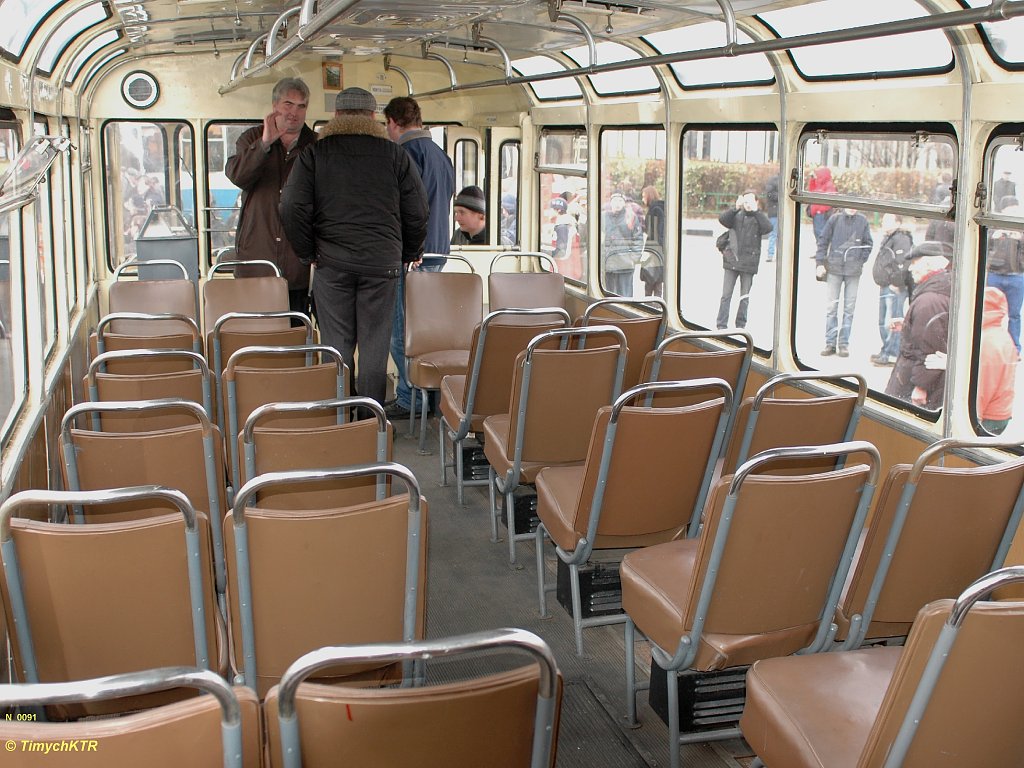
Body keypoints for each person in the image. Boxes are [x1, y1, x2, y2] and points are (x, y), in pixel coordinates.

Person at [280, 87, 429, 406]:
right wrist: (408, 253)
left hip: (332, 264)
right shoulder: (394, 154)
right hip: (382, 266)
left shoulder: (315, 153)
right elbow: (417, 209)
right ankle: (371, 423)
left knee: (337, 346)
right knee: (375, 349)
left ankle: (340, 417)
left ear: (336, 116)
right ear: (373, 117)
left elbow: (291, 205)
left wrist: (308, 253)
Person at [383, 96, 456, 420]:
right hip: (438, 250)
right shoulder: (440, 155)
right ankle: (430, 395)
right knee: (429, 331)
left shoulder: (403, 154)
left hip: (411, 254)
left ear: (393, 123)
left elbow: (403, 205)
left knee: (400, 330)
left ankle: (410, 398)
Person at [225, 77, 317, 316]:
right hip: (257, 258)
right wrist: (265, 143)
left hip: (298, 263)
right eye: (288, 104)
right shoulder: (251, 139)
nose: (294, 112)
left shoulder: (316, 147)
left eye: (301, 106)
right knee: (256, 334)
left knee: (296, 334)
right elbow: (238, 175)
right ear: (275, 105)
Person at [884, 243, 951, 410]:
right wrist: (908, 324)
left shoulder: (929, 302)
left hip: (911, 381)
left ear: (928, 264)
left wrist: (921, 387)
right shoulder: (937, 291)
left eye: (914, 263)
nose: (910, 269)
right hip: (913, 375)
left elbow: (930, 350)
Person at [815, 208, 873, 357]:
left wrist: (860, 261)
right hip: (834, 269)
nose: (852, 208)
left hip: (853, 272)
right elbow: (823, 240)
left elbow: (868, 244)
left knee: (849, 309)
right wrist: (820, 263)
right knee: (831, 308)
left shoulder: (862, 220)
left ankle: (843, 344)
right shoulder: (835, 219)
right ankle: (830, 343)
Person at [716, 191, 772, 329]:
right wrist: (735, 207)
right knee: (726, 295)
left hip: (749, 263)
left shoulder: (758, 218)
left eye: (750, 202)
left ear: (756, 202)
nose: (747, 205)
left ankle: (740, 325)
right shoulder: (736, 215)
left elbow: (768, 228)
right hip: (732, 261)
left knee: (744, 296)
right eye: (745, 201)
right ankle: (721, 324)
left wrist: (756, 211)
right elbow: (723, 220)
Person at [870, 213, 913, 367]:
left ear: (897, 222)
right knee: (883, 320)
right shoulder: (889, 237)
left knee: (892, 320)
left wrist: (897, 282)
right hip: (885, 283)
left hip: (894, 286)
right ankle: (886, 350)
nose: (883, 223)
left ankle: (891, 353)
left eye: (887, 221)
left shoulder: (901, 238)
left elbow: (903, 263)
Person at [978, 286, 1017, 434]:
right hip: (1001, 411)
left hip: (989, 416)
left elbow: (983, 386)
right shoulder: (1000, 335)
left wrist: (973, 418)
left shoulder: (986, 342)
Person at [986, 204, 1024, 352]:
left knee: (1014, 314)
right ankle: (987, 345)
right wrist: (995, 236)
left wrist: (1019, 239)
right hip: (995, 275)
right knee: (989, 310)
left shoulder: (1021, 230)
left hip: (1016, 277)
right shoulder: (995, 229)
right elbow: (983, 247)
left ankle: (1014, 347)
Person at [602, 192, 642, 296]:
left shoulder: (630, 216)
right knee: (609, 294)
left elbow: (638, 238)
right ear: (610, 203)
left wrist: (634, 258)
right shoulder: (603, 216)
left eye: (620, 200)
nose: (617, 203)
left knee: (625, 295)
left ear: (624, 203)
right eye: (615, 200)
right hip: (608, 263)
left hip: (625, 264)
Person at [641, 185, 666, 296]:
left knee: (650, 282)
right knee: (657, 282)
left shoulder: (655, 209)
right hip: (658, 249)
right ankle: (656, 307)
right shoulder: (659, 207)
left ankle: (651, 307)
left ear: (649, 196)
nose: (642, 199)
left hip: (654, 249)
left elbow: (655, 231)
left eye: (643, 196)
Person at [808, 166, 836, 243]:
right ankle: (820, 251)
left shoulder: (828, 185)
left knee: (821, 233)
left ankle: (822, 252)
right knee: (817, 232)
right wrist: (812, 180)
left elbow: (829, 200)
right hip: (817, 213)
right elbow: (812, 191)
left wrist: (819, 210)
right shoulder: (820, 183)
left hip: (821, 214)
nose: (816, 176)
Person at [762, 175, 780, 262]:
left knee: (774, 234)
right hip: (775, 212)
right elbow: (771, 195)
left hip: (774, 212)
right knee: (774, 234)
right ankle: (771, 254)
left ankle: (772, 254)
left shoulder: (772, 181)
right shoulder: (774, 181)